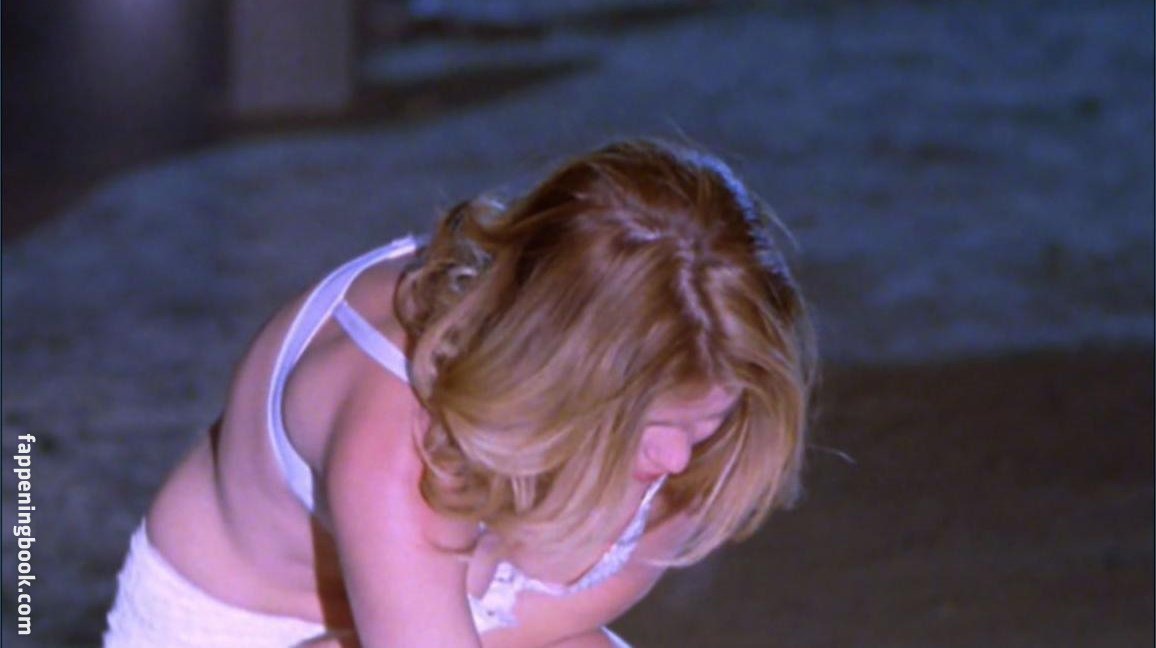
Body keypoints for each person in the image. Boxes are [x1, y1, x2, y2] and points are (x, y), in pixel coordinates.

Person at [103, 138, 816, 647]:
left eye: (704, 420)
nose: (675, 458)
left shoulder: (704, 386)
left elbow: (568, 615)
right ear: (555, 375)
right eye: (649, 428)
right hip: (242, 628)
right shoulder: (395, 427)